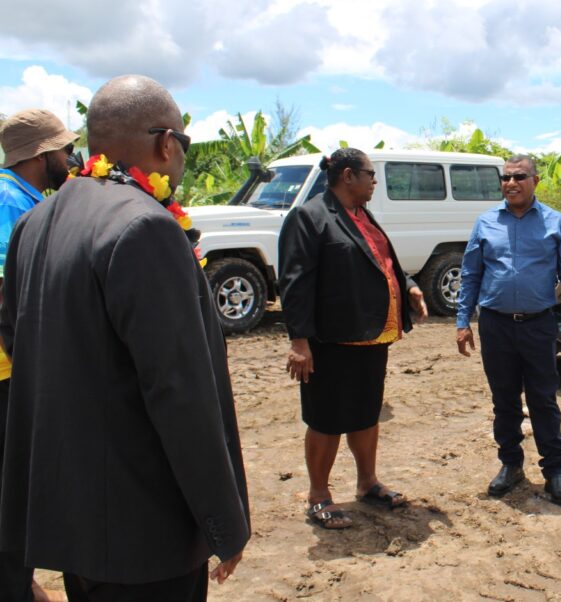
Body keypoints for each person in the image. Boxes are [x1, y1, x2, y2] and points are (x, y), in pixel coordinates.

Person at [0, 75, 250, 601]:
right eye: (183, 143)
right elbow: (179, 391)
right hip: (143, 530)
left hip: (77, 516)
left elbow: (18, 343)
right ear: (165, 143)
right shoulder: (145, 226)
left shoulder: (38, 220)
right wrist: (225, 522)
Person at [278, 148, 428, 530]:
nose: (374, 182)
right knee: (327, 420)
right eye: (370, 175)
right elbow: (294, 283)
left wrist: (407, 286)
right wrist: (300, 341)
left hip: (371, 335)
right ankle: (318, 498)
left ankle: (367, 483)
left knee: (365, 413)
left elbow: (382, 261)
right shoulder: (310, 216)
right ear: (348, 176)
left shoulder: (361, 214)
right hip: (331, 340)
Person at [455, 154, 561, 506]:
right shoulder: (485, 223)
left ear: (535, 181)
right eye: (506, 178)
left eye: (519, 177)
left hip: (538, 326)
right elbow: (471, 274)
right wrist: (462, 321)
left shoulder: (555, 223)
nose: (511, 183)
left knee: (543, 399)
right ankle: (510, 465)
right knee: (504, 401)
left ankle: (554, 472)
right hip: (495, 326)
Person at [0, 109, 77, 602]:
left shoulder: (23, 197)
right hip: (6, 372)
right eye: (66, 150)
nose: (71, 158)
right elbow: (7, 293)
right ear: (44, 154)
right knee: (11, 488)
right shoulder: (11, 203)